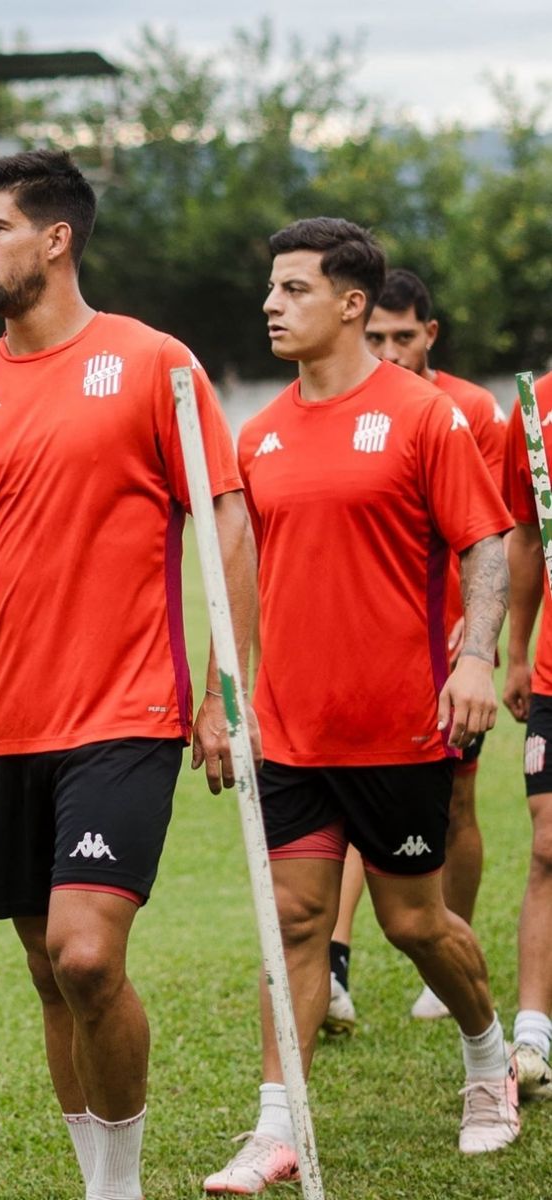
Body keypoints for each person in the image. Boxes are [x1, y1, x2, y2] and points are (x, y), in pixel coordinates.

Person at [0, 148, 259, 1200]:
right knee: (48, 974)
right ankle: (97, 1178)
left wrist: (221, 692)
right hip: (6, 726)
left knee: (87, 955)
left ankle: (119, 1187)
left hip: (127, 712)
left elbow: (227, 521)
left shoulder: (152, 364)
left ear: (54, 239)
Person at [204, 218, 517, 1194]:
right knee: (293, 922)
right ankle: (273, 1127)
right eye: (269, 287)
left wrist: (473, 657)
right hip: (291, 731)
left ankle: (486, 1061)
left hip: (396, 726)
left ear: (349, 303)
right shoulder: (256, 434)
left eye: (292, 288)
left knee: (413, 924)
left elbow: (486, 546)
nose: (269, 304)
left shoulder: (423, 417)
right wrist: (225, 696)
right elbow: (241, 572)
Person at [324, 268, 509, 1031]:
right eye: (378, 339)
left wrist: (484, 644)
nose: (391, 351)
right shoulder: (344, 402)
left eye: (406, 337)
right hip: (369, 648)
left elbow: (488, 536)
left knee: (455, 802)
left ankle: (445, 948)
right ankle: (332, 962)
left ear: (430, 335)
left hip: (449, 650)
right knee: (341, 805)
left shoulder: (468, 412)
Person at [499, 368, 552, 1102]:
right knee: (547, 843)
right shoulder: (537, 404)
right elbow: (527, 533)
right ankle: (534, 1031)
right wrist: (516, 651)